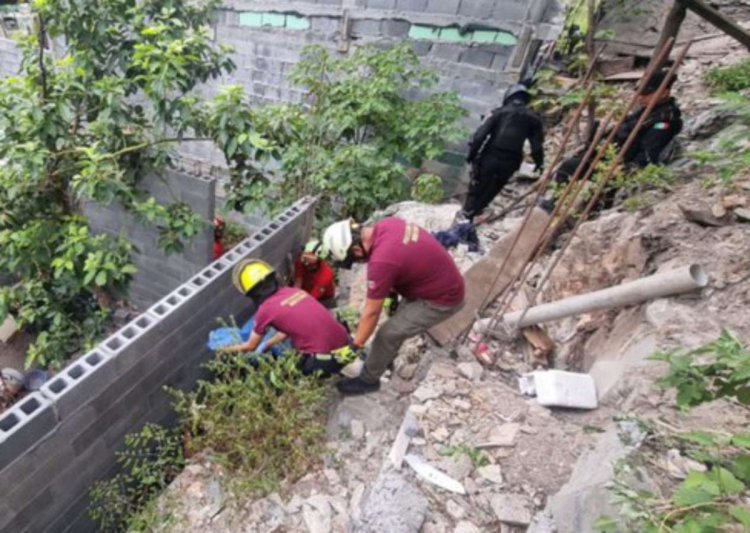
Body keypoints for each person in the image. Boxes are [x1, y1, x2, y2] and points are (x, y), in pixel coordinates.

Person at [322, 218, 465, 396]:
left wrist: (355, 346)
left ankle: (368, 380)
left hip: (441, 299)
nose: (360, 263)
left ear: (357, 249)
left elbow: (372, 312)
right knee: (394, 326)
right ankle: (383, 360)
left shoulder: (381, 262)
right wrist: (391, 293)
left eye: (355, 259)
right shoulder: (387, 225)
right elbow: (402, 259)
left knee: (387, 334)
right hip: (433, 282)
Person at [552, 69, 683, 192]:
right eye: (640, 93)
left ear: (664, 92)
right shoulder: (647, 111)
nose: (640, 98)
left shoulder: (663, 121)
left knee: (572, 169)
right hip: (608, 159)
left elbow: (647, 155)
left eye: (647, 94)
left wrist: (623, 170)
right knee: (570, 166)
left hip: (620, 168)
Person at [224, 259, 357, 377]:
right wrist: (267, 345)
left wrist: (225, 350)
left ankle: (320, 375)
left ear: (251, 293)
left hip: (328, 361)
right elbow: (287, 330)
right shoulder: (294, 291)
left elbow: (250, 347)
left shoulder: (265, 310)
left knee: (289, 371)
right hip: (349, 347)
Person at [458, 83, 545, 222]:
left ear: (508, 97)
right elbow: (537, 146)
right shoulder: (534, 119)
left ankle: (466, 215)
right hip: (511, 161)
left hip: (490, 156)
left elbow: (480, 136)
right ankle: (475, 213)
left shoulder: (498, 113)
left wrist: (471, 155)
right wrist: (539, 163)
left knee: (476, 185)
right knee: (494, 189)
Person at [293, 239, 337, 307]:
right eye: (305, 256)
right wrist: (293, 298)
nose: (305, 261)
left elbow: (312, 298)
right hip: (306, 291)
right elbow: (298, 281)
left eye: (309, 258)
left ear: (319, 259)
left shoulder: (325, 275)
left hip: (324, 299)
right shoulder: (301, 261)